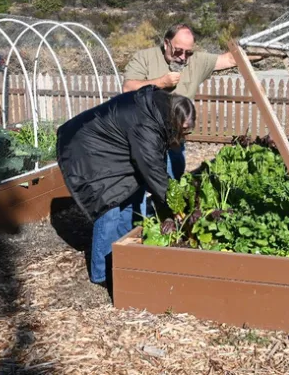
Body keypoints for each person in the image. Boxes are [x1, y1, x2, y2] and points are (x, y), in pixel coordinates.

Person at [56, 85, 196, 286]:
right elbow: (154, 173)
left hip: (110, 147)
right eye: (183, 130)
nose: (184, 135)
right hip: (87, 149)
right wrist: (175, 208)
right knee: (110, 204)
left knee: (130, 195)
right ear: (174, 120)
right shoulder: (147, 125)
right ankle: (101, 274)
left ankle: (120, 260)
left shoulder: (160, 110)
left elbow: (154, 165)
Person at [122, 23, 257, 180]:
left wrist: (267, 51)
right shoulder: (145, 58)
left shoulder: (196, 61)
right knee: (138, 184)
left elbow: (231, 59)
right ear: (166, 43)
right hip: (144, 137)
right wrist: (161, 82)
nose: (182, 57)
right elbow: (128, 88)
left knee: (173, 183)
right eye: (178, 51)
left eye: (188, 53)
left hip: (175, 140)